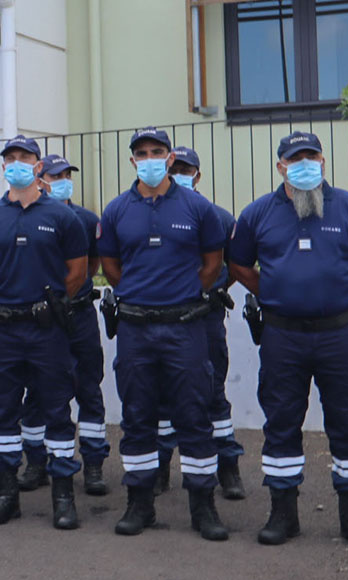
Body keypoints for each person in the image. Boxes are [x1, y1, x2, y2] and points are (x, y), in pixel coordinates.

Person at [228, 131, 348, 550]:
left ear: (323, 160)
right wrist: (275, 292)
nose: (304, 165)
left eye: (311, 157)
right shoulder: (258, 214)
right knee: (281, 420)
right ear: (280, 166)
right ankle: (283, 514)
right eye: (294, 159)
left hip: (340, 334)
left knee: (347, 420)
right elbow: (240, 265)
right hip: (283, 336)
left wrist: (346, 289)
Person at [97, 127, 229, 541]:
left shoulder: (197, 208)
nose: (150, 158)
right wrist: (140, 295)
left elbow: (212, 263)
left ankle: (203, 507)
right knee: (137, 415)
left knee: (194, 414)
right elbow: (112, 267)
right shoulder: (117, 210)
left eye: (157, 151)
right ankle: (140, 505)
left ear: (170, 158)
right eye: (142, 153)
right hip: (135, 328)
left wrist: (186, 293)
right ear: (133, 160)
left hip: (185, 327)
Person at [0, 137, 89, 528]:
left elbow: (77, 272)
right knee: (3, 412)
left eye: (24, 158)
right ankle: (7, 495)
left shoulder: (62, 216)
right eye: (10, 159)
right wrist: (6, 299)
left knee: (56, 409)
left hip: (47, 330)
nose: (16, 164)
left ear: (39, 167)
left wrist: (49, 304)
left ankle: (63, 496)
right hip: (2, 328)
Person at [153, 146, 246, 499]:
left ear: (197, 174)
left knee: (212, 395)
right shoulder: (155, 215)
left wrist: (211, 289)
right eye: (173, 167)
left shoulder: (218, 217)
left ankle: (228, 468)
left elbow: (234, 267)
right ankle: (161, 468)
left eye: (185, 168)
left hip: (205, 317)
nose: (178, 173)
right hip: (163, 317)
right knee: (163, 398)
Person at [25, 154, 111, 497]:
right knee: (36, 392)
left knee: (88, 388)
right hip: (41, 320)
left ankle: (92, 465)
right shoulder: (28, 217)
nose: (62, 180)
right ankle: (35, 462)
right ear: (40, 178)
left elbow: (92, 265)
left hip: (78, 314)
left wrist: (70, 292)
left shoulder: (87, 219)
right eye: (55, 175)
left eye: (66, 175)